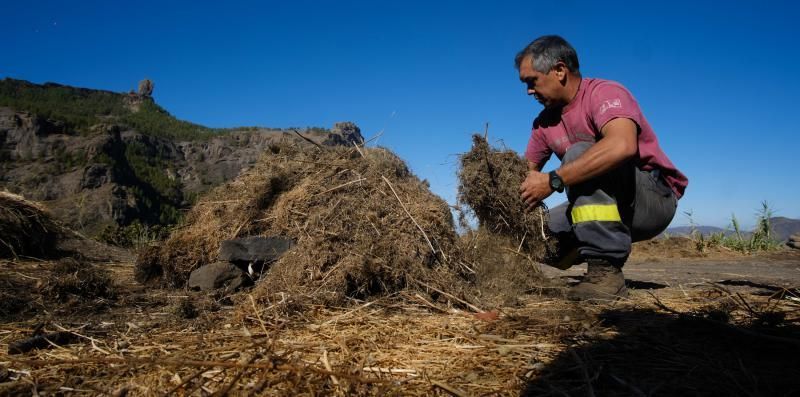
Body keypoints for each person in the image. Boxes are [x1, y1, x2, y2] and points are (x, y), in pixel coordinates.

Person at [516, 35, 688, 301]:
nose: (528, 90)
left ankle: (605, 274)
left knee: (580, 152)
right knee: (536, 233)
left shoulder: (604, 93)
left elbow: (622, 145)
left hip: (652, 198)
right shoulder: (543, 123)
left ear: (560, 70)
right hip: (607, 205)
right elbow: (524, 176)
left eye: (532, 81)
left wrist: (552, 181)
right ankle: (584, 246)